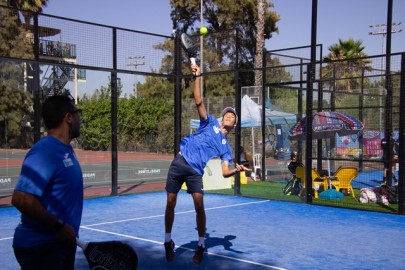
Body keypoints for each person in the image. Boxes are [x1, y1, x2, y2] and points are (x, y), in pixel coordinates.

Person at [164, 64, 250, 264]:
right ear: (222, 118)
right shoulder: (209, 122)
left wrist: (236, 170)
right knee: (170, 202)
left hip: (195, 172)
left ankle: (201, 245)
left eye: (232, 117)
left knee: (199, 206)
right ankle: (167, 241)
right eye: (227, 114)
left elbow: (225, 172)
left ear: (234, 125)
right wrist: (198, 77)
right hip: (179, 162)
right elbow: (198, 100)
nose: (228, 116)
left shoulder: (226, 148)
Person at [11, 95, 83, 270]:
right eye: (77, 113)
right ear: (68, 117)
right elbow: (21, 198)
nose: (79, 119)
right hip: (41, 248)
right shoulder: (45, 152)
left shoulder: (65, 149)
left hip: (61, 245)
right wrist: (58, 225)